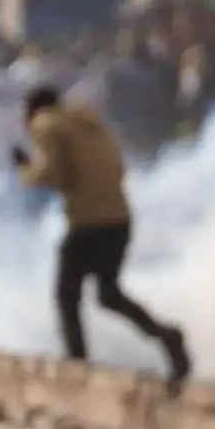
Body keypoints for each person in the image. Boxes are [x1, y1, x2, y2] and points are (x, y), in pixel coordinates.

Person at [19, 83, 191, 381]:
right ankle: (166, 335)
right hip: (119, 219)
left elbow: (56, 174)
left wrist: (26, 170)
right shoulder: (90, 124)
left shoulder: (46, 124)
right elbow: (117, 167)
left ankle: (77, 363)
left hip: (88, 222)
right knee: (108, 293)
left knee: (67, 294)